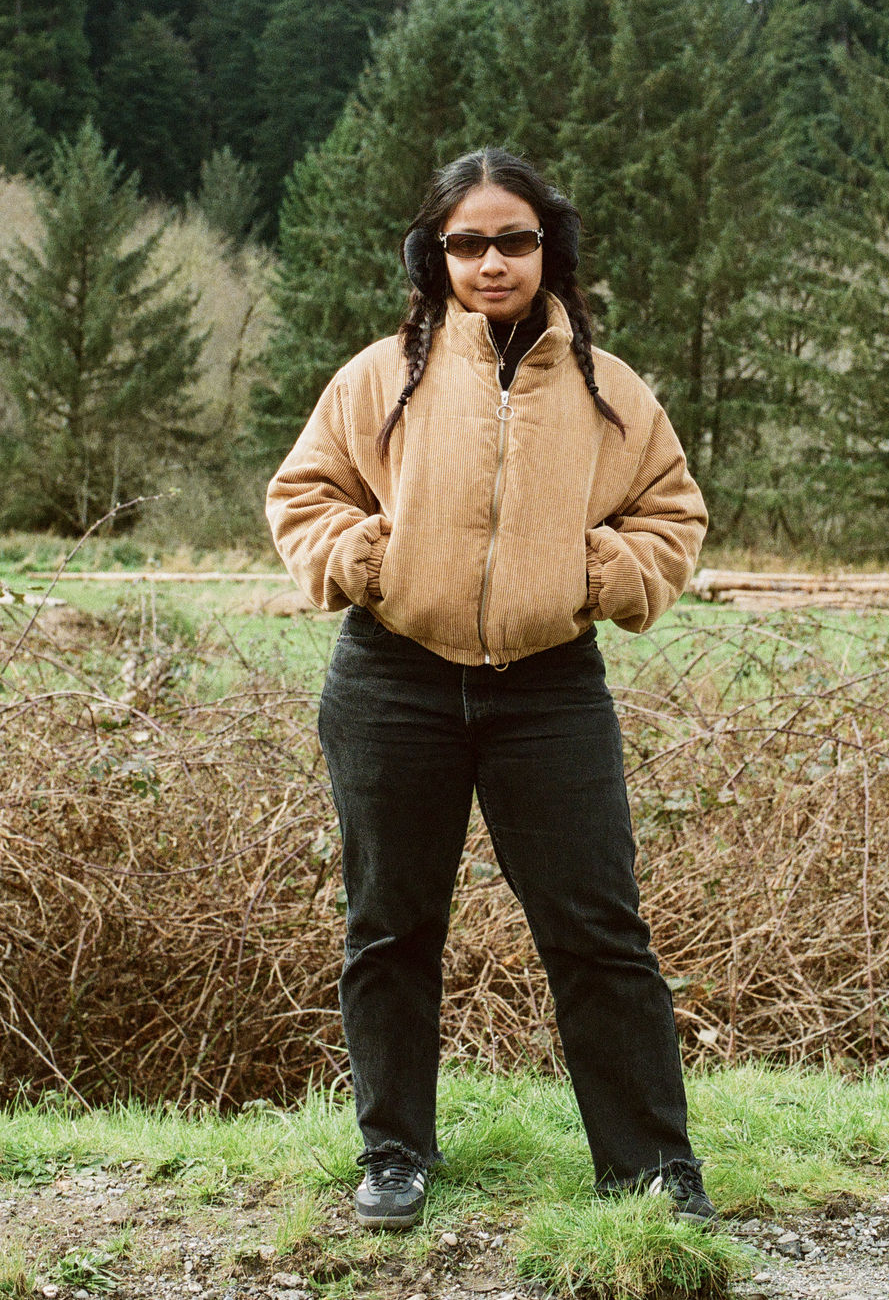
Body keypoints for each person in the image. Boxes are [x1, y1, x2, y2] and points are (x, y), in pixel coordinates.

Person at [265, 147, 715, 1233]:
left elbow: (673, 512)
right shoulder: (378, 376)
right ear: (437, 255)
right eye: (466, 242)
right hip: (391, 680)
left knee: (598, 930)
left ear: (548, 248)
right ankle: (395, 1153)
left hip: (550, 689)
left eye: (514, 239)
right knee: (389, 926)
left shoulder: (612, 390)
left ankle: (650, 1169)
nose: (492, 261)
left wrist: (601, 572)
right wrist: (366, 558)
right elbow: (304, 492)